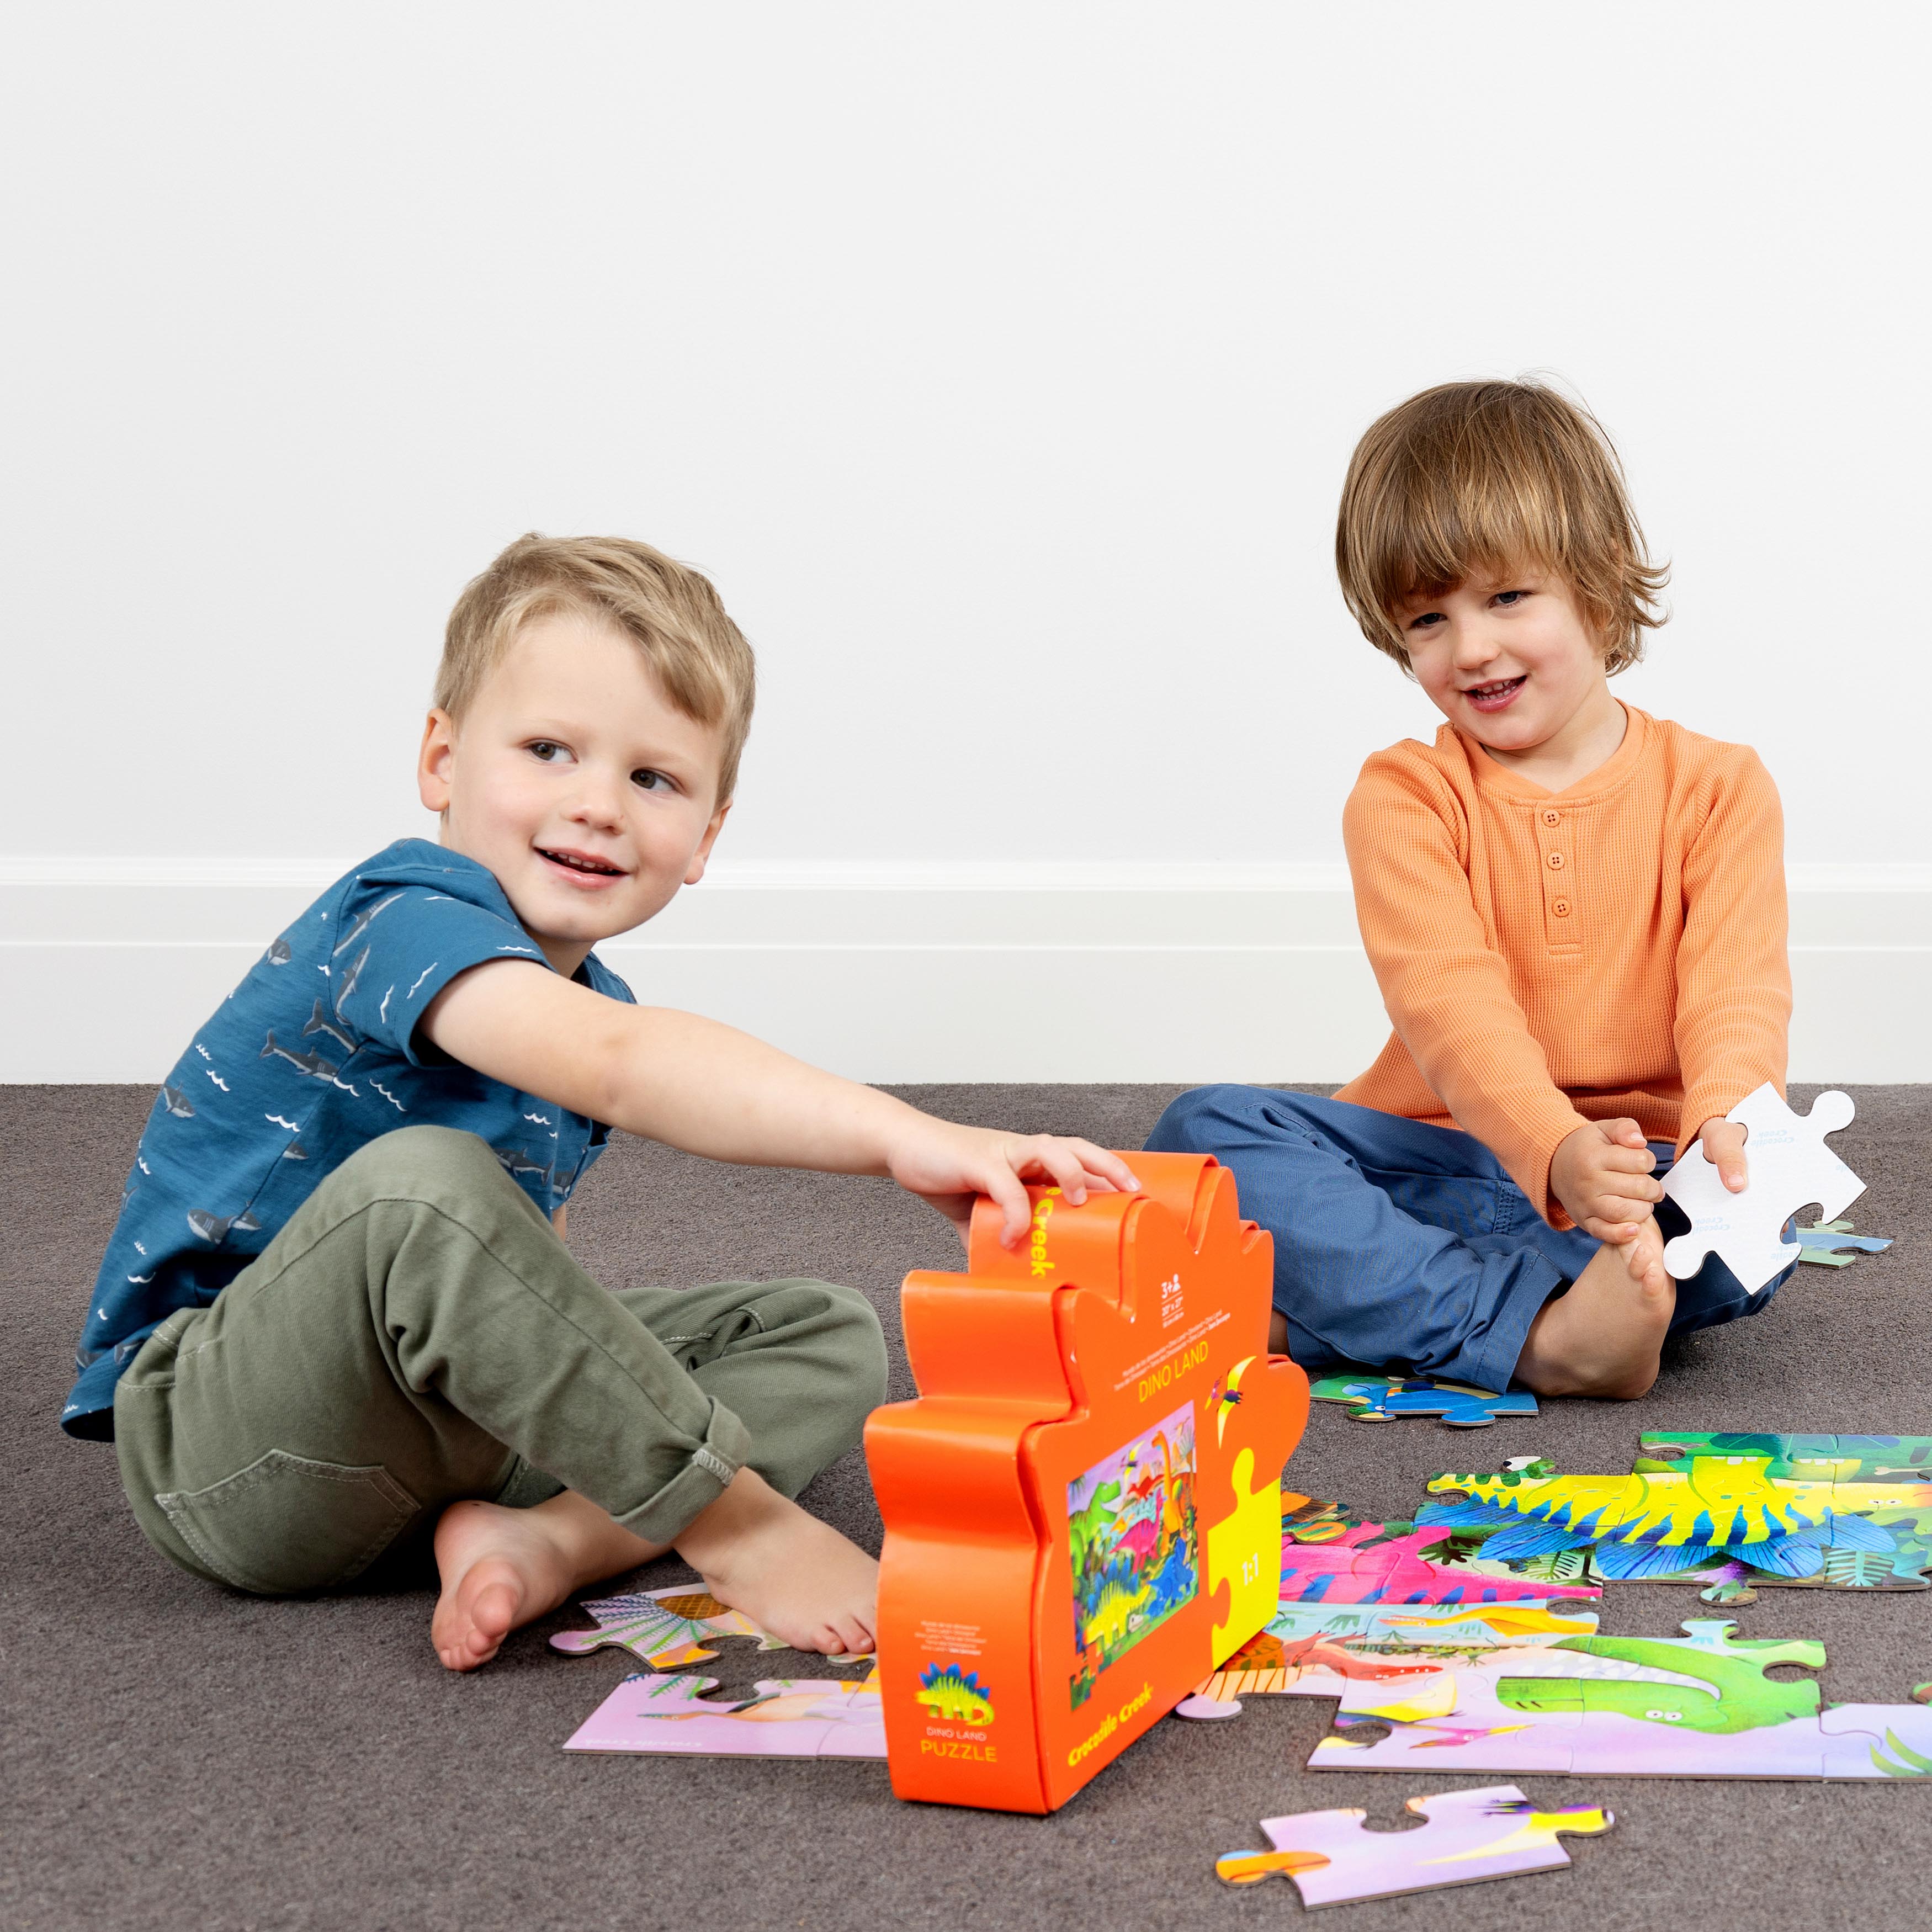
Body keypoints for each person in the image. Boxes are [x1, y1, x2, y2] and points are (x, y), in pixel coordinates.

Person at [70, 533, 1136, 1670]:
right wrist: (901, 1135)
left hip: (445, 1441)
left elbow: (531, 1244)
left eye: (653, 777)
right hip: (238, 1449)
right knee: (419, 1185)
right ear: (439, 759)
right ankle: (732, 1523)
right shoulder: (403, 918)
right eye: (546, 749)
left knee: (823, 1330)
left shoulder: (592, 999)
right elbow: (618, 1064)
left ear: (706, 837)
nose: (597, 804)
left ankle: (551, 1542)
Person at [1149, 379, 1789, 1402]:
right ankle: (1544, 1339)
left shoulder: (1719, 786)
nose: (1473, 649)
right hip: (1438, 1162)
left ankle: (1356, 1308)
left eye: (1506, 599)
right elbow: (1452, 1011)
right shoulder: (1405, 794)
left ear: (1600, 580)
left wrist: (1726, 1128)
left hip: (1640, 1182)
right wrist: (1554, 1147)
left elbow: (1735, 991)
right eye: (1428, 620)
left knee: (1750, 1241)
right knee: (1204, 1132)